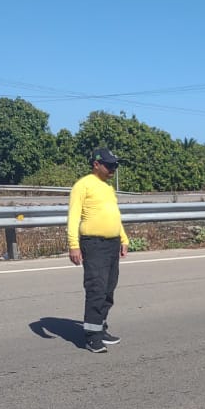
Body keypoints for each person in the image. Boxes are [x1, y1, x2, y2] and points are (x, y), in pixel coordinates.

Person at [67, 148, 129, 353]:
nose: (113, 169)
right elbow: (74, 216)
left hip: (112, 243)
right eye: (109, 165)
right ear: (96, 164)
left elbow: (114, 215)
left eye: (115, 166)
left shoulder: (108, 188)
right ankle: (91, 337)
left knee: (109, 290)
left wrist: (123, 238)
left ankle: (100, 328)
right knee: (96, 289)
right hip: (93, 244)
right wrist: (73, 245)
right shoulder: (83, 185)